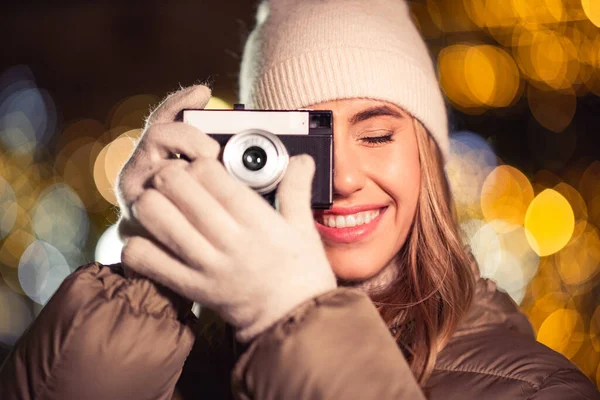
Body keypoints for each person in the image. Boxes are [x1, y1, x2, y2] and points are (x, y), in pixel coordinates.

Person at [1, 0, 599, 398]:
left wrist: (295, 320)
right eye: (302, 144)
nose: (339, 179)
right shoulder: (186, 368)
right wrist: (147, 284)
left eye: (376, 135)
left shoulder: (536, 387)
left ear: (427, 160)